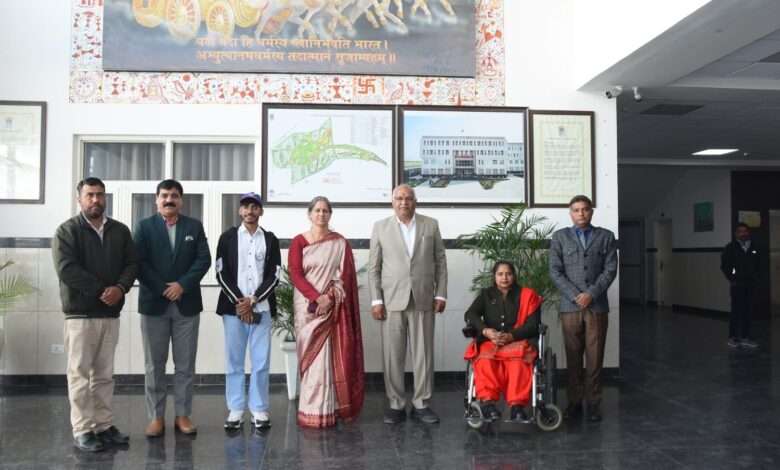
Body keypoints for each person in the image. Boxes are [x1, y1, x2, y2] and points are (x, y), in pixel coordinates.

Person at [52, 177, 138, 452]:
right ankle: (83, 429)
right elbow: (67, 270)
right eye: (89, 195)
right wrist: (103, 290)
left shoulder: (120, 231)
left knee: (104, 375)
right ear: (79, 199)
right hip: (80, 316)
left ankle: (103, 425)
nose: (95, 200)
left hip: (109, 316)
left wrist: (120, 288)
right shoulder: (67, 231)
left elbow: (132, 264)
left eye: (100, 194)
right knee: (79, 375)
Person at [133, 179, 211, 437]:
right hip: (154, 304)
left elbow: (203, 260)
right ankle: (156, 417)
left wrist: (182, 285)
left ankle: (183, 415)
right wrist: (163, 288)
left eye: (174, 195)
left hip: (186, 304)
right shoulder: (143, 227)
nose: (169, 199)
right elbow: (138, 263)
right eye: (164, 195)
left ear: (181, 200)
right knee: (154, 365)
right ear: (156, 199)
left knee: (185, 364)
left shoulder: (194, 226)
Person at [368, 184, 448, 424]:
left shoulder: (430, 225)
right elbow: (374, 268)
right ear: (392, 202)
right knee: (393, 356)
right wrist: (376, 299)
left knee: (424, 354)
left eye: (409, 198)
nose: (404, 202)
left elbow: (441, 263)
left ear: (416, 201)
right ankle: (396, 404)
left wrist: (441, 295)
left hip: (423, 298)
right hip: (391, 300)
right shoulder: (380, 227)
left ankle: (422, 403)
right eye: (399, 198)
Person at [288, 196, 364, 428]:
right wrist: (316, 297)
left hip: (331, 306)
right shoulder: (299, 241)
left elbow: (344, 276)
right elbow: (295, 273)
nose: (321, 214)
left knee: (329, 359)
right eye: (317, 210)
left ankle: (329, 409)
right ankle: (310, 410)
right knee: (311, 360)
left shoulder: (339, 243)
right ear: (309, 214)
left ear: (330, 214)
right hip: (306, 307)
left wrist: (329, 297)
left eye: (325, 210)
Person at [215, 192, 281, 430]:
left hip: (261, 309)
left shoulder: (271, 239)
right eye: (245, 207)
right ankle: (235, 409)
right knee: (234, 361)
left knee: (261, 362)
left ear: (261, 211)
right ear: (239, 211)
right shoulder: (227, 237)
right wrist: (240, 302)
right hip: (232, 310)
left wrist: (253, 300)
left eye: (254, 207)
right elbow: (221, 273)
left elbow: (275, 275)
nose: (249, 211)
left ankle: (259, 409)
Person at [549, 195, 617, 422]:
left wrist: (591, 294)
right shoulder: (560, 237)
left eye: (585, 209)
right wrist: (575, 295)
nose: (581, 214)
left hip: (597, 306)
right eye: (576, 210)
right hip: (570, 306)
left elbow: (610, 269)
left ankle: (594, 403)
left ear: (591, 212)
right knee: (573, 356)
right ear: (570, 213)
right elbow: (555, 271)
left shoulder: (606, 236)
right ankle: (574, 401)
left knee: (595, 358)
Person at [464, 261, 541, 422]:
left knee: (518, 362)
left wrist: (511, 336)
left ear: (513, 276)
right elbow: (470, 314)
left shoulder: (527, 295)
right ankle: (489, 405)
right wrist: (485, 331)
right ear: (494, 277)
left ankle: (517, 407)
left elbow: (533, 325)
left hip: (517, 341)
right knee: (485, 361)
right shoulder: (486, 294)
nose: (504, 277)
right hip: (491, 342)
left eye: (508, 274)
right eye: (500, 274)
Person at [720, 222, 760, 349]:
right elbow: (725, 266)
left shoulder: (753, 247)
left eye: (745, 231)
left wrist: (755, 277)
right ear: (736, 233)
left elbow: (759, 265)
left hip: (750, 284)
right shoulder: (730, 248)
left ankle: (745, 337)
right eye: (740, 231)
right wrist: (733, 279)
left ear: (748, 233)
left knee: (748, 311)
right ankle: (733, 337)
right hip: (738, 284)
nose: (743, 233)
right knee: (736, 310)